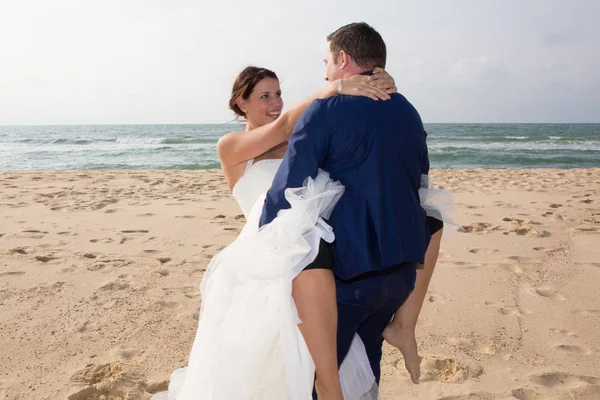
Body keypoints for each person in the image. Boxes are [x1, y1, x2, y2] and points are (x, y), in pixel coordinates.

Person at [153, 66, 397, 400]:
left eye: (279, 94)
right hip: (264, 255)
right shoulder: (230, 145)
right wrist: (338, 86)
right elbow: (285, 123)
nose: (275, 102)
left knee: (308, 353)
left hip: (310, 246)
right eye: (265, 96)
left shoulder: (298, 142)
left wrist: (374, 85)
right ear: (241, 103)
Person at [259, 22, 439, 397]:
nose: (324, 72)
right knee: (365, 375)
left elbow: (289, 188)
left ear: (343, 59)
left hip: (347, 279)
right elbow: (420, 182)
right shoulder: (408, 109)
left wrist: (261, 244)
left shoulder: (327, 109)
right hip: (400, 278)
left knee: (320, 384)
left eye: (326, 61)